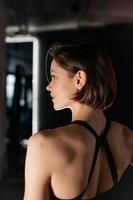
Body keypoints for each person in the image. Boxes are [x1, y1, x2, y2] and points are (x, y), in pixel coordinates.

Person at [23, 40, 133, 200]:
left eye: (54, 76)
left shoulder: (43, 144)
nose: (48, 86)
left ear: (79, 79)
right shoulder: (126, 137)